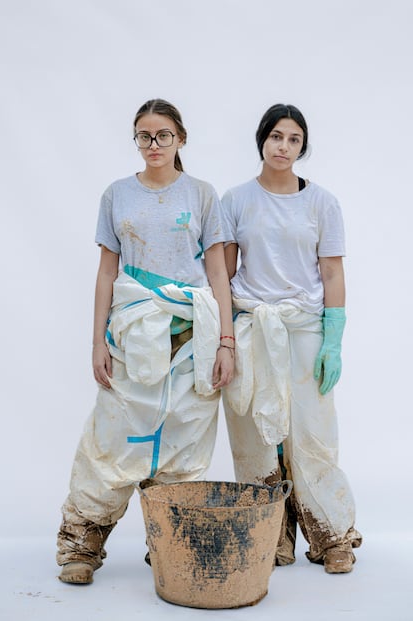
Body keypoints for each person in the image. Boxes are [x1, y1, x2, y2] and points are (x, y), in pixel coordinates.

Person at [56, 98, 235, 584]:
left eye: (163, 136)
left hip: (189, 334)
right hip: (131, 333)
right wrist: (97, 340)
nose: (152, 145)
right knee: (112, 437)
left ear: (181, 140)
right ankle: (82, 543)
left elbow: (217, 269)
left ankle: (169, 546)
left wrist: (225, 341)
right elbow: (107, 272)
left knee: (182, 439)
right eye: (143, 136)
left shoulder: (201, 194)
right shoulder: (116, 195)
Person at [221, 103, 362, 574]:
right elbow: (224, 271)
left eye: (294, 139)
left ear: (303, 146)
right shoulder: (236, 200)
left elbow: (332, 270)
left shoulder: (322, 202)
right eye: (276, 136)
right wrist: (221, 334)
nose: (283, 146)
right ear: (262, 140)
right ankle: (270, 538)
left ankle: (332, 537)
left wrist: (333, 338)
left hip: (303, 327)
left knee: (312, 435)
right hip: (253, 325)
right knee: (256, 437)